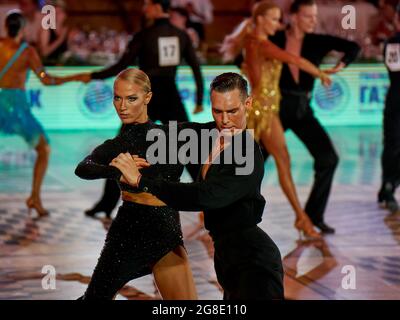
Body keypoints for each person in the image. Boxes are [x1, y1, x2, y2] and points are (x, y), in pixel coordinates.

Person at [110, 72, 284, 300]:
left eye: (233, 111)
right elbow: (164, 135)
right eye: (217, 111)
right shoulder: (207, 134)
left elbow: (204, 196)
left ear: (248, 104)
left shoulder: (247, 154)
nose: (225, 120)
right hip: (226, 258)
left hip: (254, 263)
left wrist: (143, 182)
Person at [75, 68, 199, 300]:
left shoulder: (174, 134)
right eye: (117, 97)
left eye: (131, 98)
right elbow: (83, 167)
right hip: (128, 233)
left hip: (166, 229)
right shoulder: (117, 144)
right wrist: (118, 171)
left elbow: (215, 129)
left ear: (147, 98)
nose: (122, 106)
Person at [79, 0, 205, 219]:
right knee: (188, 148)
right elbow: (195, 67)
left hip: (145, 97)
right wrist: (200, 99)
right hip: (171, 96)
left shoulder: (145, 35)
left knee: (121, 150)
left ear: (157, 7)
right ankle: (207, 198)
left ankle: (106, 204)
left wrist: (92, 76)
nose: (144, 8)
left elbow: (121, 66)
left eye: (148, 4)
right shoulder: (180, 35)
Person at [221, 1, 331, 239]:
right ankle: (302, 218)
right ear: (260, 19)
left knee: (242, 166)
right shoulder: (260, 44)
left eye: (279, 19)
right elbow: (295, 60)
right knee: (279, 161)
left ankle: (215, 207)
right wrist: (321, 74)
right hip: (263, 113)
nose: (278, 24)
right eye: (273, 19)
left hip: (262, 112)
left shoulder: (252, 41)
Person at [269, 0, 361, 233]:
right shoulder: (275, 39)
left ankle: (312, 216)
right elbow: (244, 57)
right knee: (249, 162)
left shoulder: (317, 41)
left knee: (328, 159)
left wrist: (341, 65)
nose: (313, 20)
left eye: (314, 16)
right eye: (308, 16)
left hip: (303, 109)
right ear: (294, 16)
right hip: (275, 110)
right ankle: (227, 212)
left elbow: (353, 47)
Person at [0, 11, 80, 218]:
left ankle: (35, 198)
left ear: (6, 27)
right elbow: (46, 79)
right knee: (43, 149)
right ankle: (34, 197)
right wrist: (73, 78)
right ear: (24, 29)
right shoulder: (27, 52)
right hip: (16, 108)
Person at [378, 2, 400, 214]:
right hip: (397, 102)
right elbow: (395, 68)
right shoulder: (393, 43)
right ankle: (388, 188)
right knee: (393, 145)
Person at [38, 0, 69, 65]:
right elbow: (44, 53)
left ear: (65, 15)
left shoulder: (65, 29)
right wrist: (60, 39)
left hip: (63, 65)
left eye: (59, 12)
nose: (57, 16)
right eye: (55, 13)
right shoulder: (46, 29)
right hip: (49, 65)